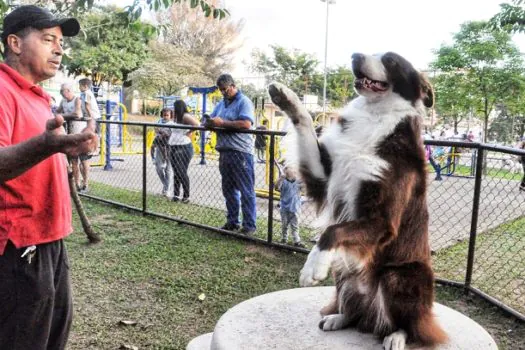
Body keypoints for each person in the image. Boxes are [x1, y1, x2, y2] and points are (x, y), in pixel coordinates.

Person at [0, 6, 97, 350]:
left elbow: (40, 151)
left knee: (51, 338)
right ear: (14, 42)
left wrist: (68, 148)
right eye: (47, 40)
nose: (59, 49)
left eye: (60, 42)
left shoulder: (39, 96)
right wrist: (46, 145)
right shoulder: (1, 89)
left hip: (51, 239)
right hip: (18, 247)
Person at [207, 74, 257, 235]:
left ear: (233, 86)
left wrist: (222, 123)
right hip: (224, 151)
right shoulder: (222, 103)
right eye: (221, 90)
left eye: (225, 89)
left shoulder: (244, 101)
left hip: (241, 152)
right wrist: (209, 122)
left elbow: (246, 123)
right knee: (228, 190)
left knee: (246, 190)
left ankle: (249, 225)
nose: (223, 93)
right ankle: (232, 222)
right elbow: (212, 117)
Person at [56, 82, 95, 192]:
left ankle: (86, 183)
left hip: (80, 133)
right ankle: (76, 183)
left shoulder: (77, 99)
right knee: (73, 161)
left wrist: (61, 116)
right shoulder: (63, 101)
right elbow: (56, 113)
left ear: (68, 90)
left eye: (62, 91)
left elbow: (77, 114)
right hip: (70, 134)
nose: (61, 93)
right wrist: (61, 115)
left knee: (84, 160)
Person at [168, 100, 199, 202]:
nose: (173, 108)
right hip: (173, 146)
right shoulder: (176, 117)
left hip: (183, 147)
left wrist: (189, 132)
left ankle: (186, 196)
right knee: (176, 172)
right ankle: (176, 195)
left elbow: (197, 124)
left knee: (181, 172)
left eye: (174, 106)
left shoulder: (185, 116)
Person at [275, 166, 306, 248]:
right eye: (287, 169)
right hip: (284, 208)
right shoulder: (283, 181)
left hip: (295, 208)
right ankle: (284, 238)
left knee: (295, 226)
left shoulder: (298, 182)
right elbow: (276, 187)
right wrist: (280, 179)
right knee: (284, 225)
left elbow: (304, 190)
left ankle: (296, 241)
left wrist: (304, 182)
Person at [151, 108, 174, 197]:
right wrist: (159, 132)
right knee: (158, 168)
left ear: (170, 115)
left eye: (167, 115)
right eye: (164, 115)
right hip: (160, 146)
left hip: (169, 147)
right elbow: (156, 130)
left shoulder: (172, 124)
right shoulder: (159, 121)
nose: (165, 117)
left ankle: (166, 190)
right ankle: (166, 185)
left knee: (168, 169)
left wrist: (163, 133)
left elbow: (171, 134)